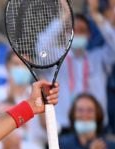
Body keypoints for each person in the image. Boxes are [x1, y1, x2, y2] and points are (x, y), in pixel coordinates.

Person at [38, 0, 115, 131]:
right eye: (73, 31)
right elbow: (42, 46)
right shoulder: (56, 57)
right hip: (64, 128)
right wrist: (65, 16)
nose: (77, 34)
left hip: (96, 127)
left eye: (82, 31)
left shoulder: (98, 57)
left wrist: (96, 15)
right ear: (67, 34)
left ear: (89, 36)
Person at [0, 51, 46, 144]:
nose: (21, 68)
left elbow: (49, 132)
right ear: (7, 67)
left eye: (25, 65)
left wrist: (44, 103)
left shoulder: (39, 96)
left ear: (32, 68)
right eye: (16, 64)